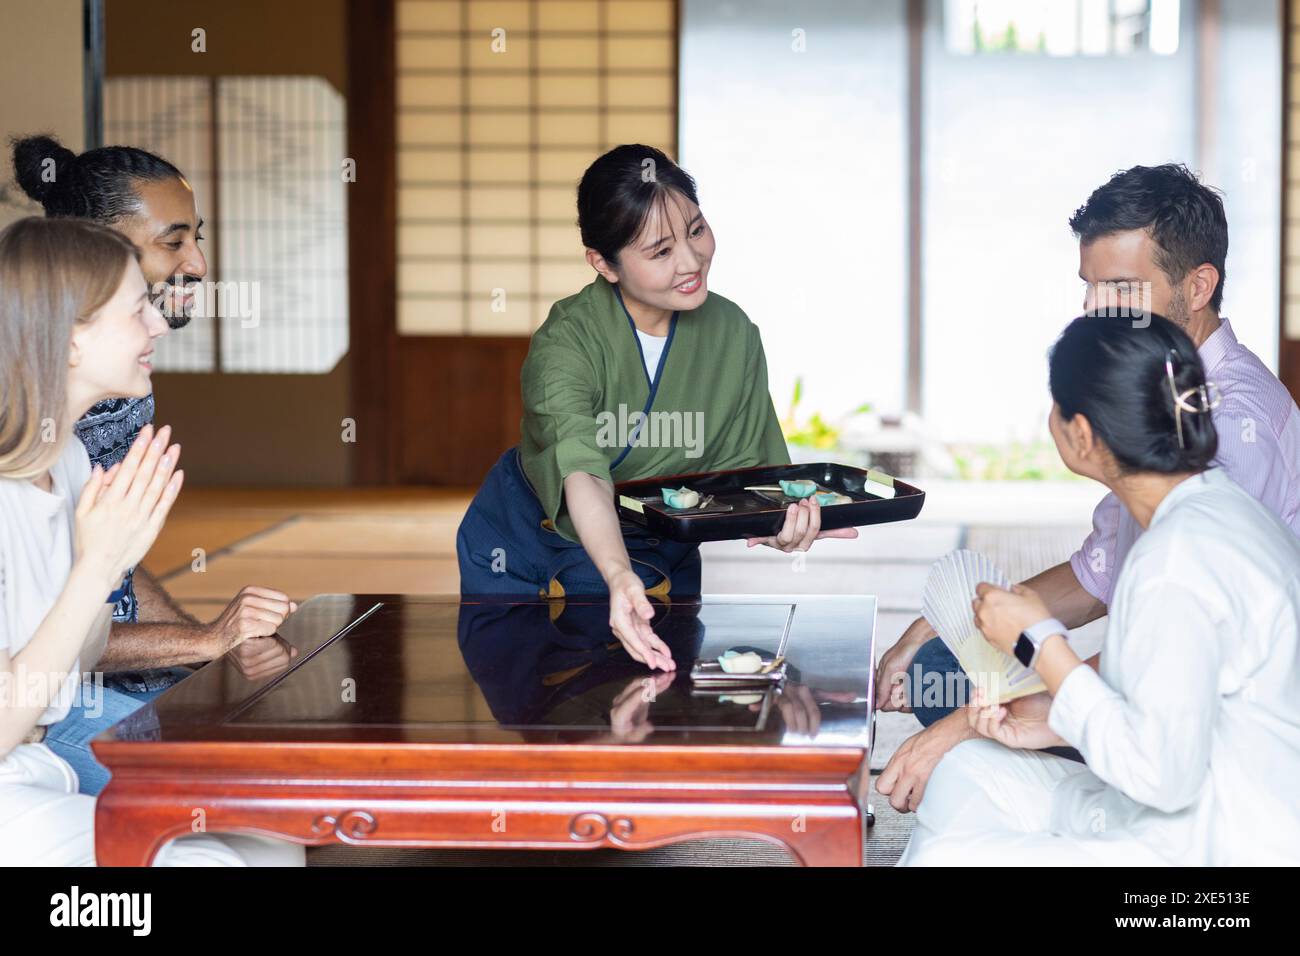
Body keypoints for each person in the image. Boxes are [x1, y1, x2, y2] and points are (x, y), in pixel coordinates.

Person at [877, 163, 1300, 812]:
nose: (1095, 310)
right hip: (1162, 691)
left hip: (1216, 738)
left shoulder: (1230, 431)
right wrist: (934, 625)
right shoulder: (1159, 388)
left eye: (1121, 289)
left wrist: (973, 722)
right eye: (1090, 287)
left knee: (962, 714)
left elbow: (1167, 663)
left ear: (1198, 286)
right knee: (944, 665)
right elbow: (1099, 572)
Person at [898, 312, 1300, 865]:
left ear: (1081, 434)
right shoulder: (1214, 508)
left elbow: (1162, 776)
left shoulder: (1174, 559)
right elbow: (1170, 700)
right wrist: (1050, 714)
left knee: (946, 858)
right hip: (1193, 802)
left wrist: (1041, 643)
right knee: (967, 768)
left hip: (1219, 846)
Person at [457, 144, 855, 671]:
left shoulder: (733, 332)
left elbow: (744, 475)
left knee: (664, 696)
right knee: (550, 706)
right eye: (661, 251)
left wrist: (776, 521)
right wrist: (617, 574)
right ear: (604, 263)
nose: (691, 262)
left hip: (661, 544)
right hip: (532, 543)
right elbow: (582, 471)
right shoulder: (566, 343)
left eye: (696, 230)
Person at [0, 216, 303, 865]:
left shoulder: (68, 462)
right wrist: (98, 565)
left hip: (38, 760)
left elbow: (78, 651)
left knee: (269, 840)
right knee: (214, 865)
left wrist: (113, 567)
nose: (159, 325)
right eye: (138, 309)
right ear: (69, 338)